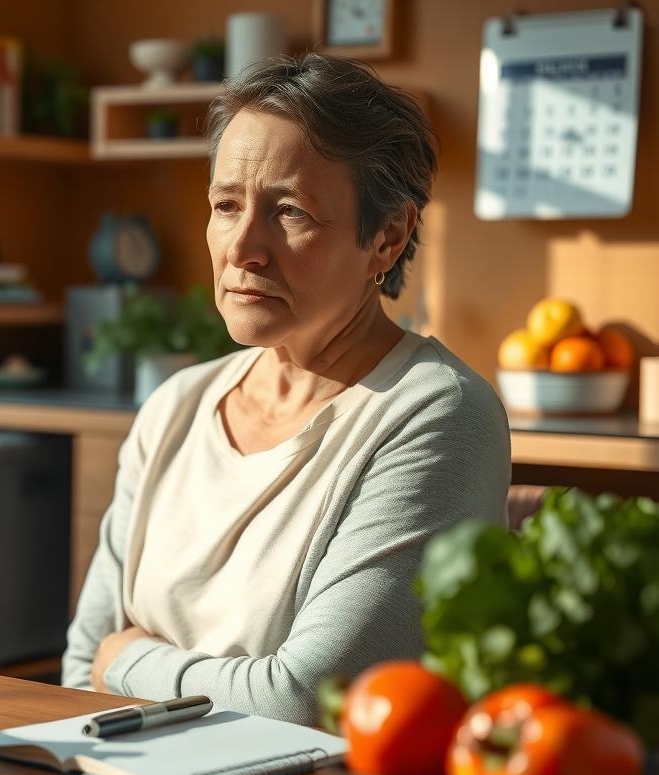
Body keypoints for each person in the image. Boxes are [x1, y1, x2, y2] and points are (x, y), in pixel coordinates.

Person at [62, 54, 511, 725]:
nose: (244, 246)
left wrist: (127, 663)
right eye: (226, 205)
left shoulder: (437, 413)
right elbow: (75, 670)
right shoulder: (173, 408)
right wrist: (114, 663)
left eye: (289, 211)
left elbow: (306, 702)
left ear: (388, 237)